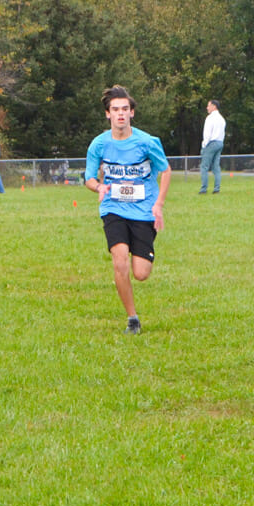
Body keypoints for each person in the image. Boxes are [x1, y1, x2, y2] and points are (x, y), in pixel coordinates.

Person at [84, 85, 171, 335]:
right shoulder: (98, 145)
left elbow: (165, 170)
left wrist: (158, 205)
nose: (120, 114)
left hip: (144, 211)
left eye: (125, 109)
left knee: (141, 273)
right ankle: (132, 318)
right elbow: (89, 177)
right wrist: (99, 187)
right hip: (114, 208)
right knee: (119, 261)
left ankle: (141, 251)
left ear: (132, 112)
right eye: (115, 110)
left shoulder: (147, 142)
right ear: (107, 114)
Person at [199, 99, 226, 194]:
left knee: (204, 167)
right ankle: (216, 189)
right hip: (220, 142)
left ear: (214, 106)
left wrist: (204, 145)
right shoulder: (222, 119)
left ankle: (203, 189)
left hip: (211, 143)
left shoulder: (210, 118)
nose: (207, 108)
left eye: (208, 105)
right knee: (216, 167)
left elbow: (207, 134)